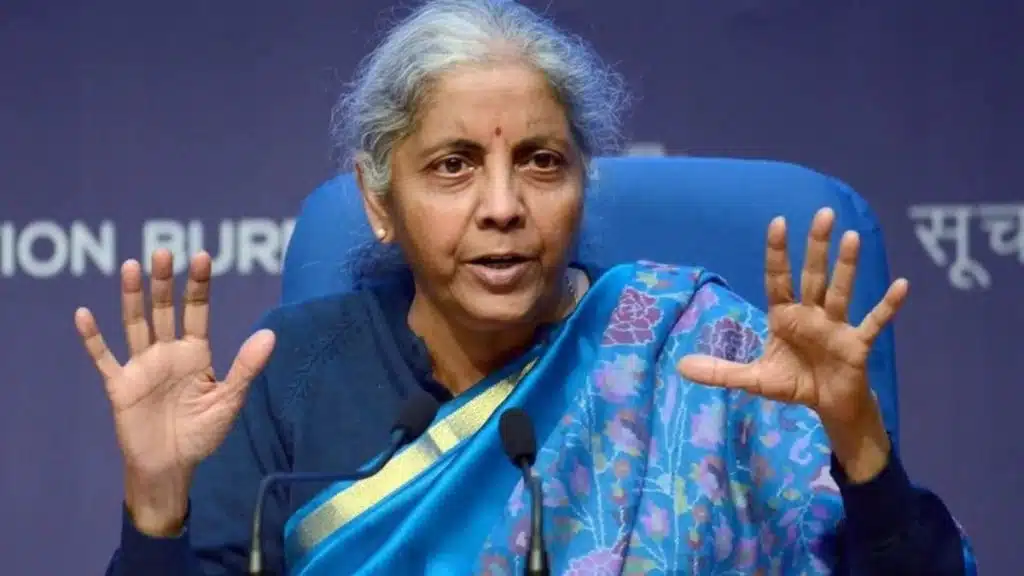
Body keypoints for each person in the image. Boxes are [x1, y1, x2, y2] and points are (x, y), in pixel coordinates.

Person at [80, 0, 976, 574]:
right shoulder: (292, 377)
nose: (504, 206)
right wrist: (156, 505)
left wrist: (861, 449)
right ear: (380, 201)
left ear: (583, 182)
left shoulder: (701, 355)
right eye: (454, 165)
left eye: (542, 162)